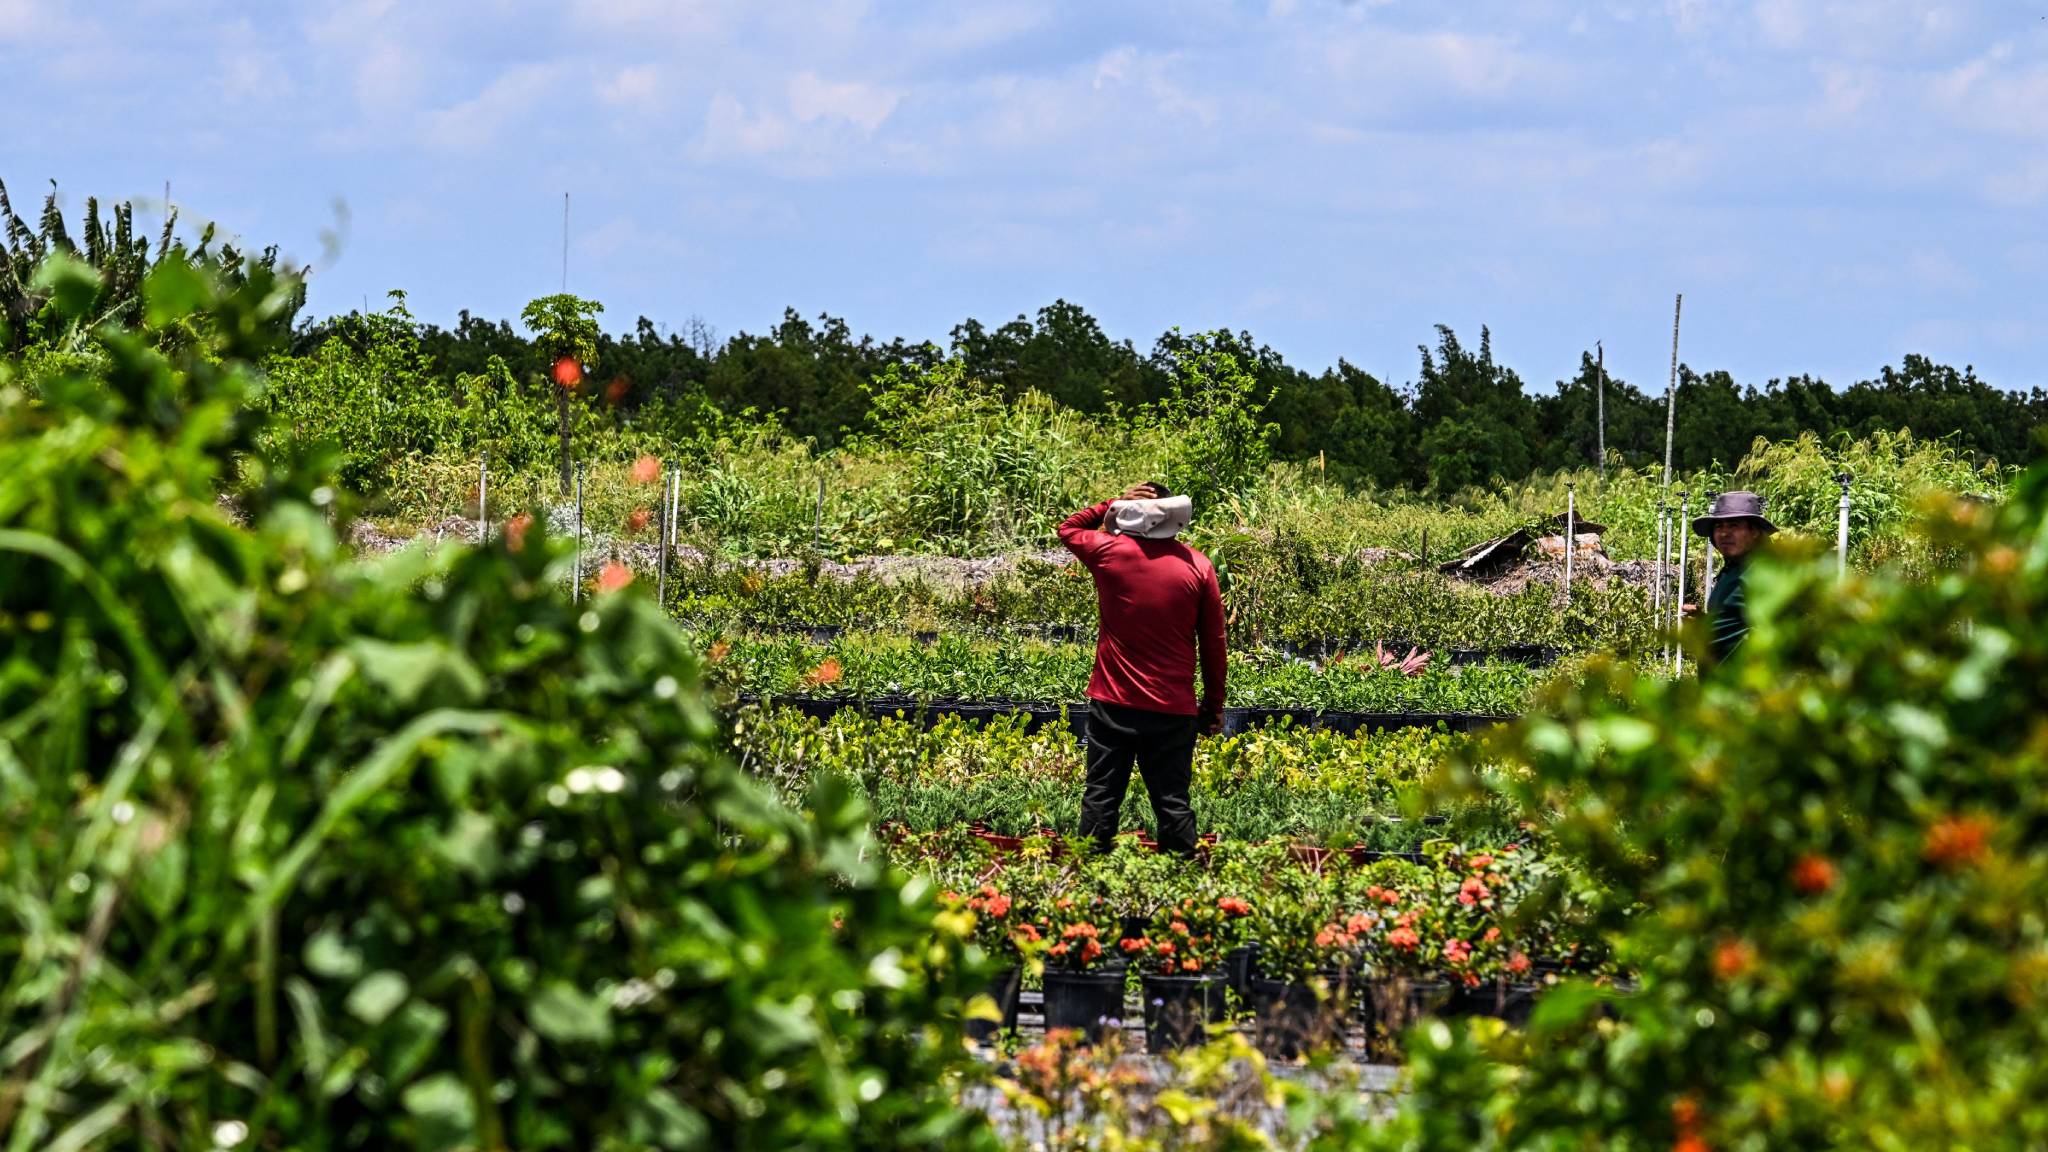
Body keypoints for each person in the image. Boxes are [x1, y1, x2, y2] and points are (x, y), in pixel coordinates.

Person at [1058, 482, 1227, 856]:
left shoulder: (1110, 552)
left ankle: (1085, 889)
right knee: (1172, 803)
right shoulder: (1198, 566)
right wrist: (1213, 706)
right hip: (1173, 710)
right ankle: (1182, 889)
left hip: (1113, 703)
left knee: (1101, 798)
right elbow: (1214, 645)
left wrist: (1112, 502)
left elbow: (1068, 528)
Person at [1686, 490, 1778, 664]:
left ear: (1755, 532)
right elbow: (1737, 623)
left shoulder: (1761, 573)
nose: (1724, 533)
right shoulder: (1732, 569)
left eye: (1734, 525)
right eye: (1719, 526)